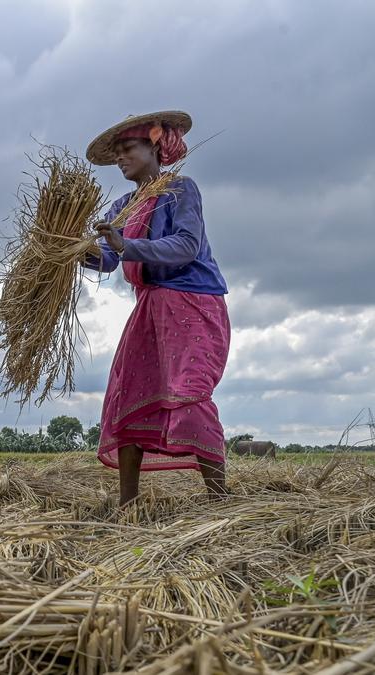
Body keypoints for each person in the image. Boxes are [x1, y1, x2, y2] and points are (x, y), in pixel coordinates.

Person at [82, 110, 230, 506]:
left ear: (154, 145)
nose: (120, 159)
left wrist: (123, 245)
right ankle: (127, 504)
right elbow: (109, 259)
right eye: (116, 154)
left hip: (192, 303)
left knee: (189, 391)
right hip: (149, 308)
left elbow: (185, 246)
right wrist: (77, 254)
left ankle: (220, 499)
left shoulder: (181, 191)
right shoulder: (123, 207)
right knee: (129, 393)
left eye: (127, 148)